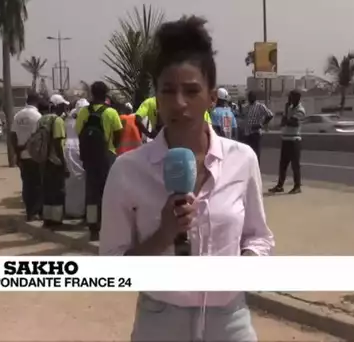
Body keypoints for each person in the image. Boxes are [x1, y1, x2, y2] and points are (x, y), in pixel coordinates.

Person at [100, 16, 274, 342]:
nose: (179, 103)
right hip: (160, 322)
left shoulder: (242, 160)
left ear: (211, 98)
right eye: (168, 91)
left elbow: (259, 238)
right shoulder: (127, 170)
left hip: (230, 320)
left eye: (192, 91)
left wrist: (247, 264)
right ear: (157, 97)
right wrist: (163, 234)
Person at [75, 81, 123, 241]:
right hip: (107, 156)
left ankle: (93, 228)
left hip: (89, 157)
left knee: (91, 192)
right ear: (106, 94)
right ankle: (108, 226)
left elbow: (79, 133)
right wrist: (112, 148)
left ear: (92, 93)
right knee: (108, 192)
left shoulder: (83, 112)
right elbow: (119, 136)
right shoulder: (111, 113)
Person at [11, 92, 43, 221]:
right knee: (37, 184)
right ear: (36, 102)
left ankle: (29, 212)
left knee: (26, 184)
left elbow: (13, 135)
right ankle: (36, 212)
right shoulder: (38, 116)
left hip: (22, 156)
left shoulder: (18, 115)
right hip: (35, 155)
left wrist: (17, 152)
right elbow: (37, 136)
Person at [40, 94, 69, 227]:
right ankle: (57, 221)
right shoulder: (58, 121)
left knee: (47, 190)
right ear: (56, 106)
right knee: (58, 191)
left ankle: (47, 220)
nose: (64, 108)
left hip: (44, 160)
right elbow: (58, 144)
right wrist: (64, 164)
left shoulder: (42, 119)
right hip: (55, 161)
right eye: (62, 105)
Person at [269, 90, 305, 194]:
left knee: (295, 165)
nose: (289, 99)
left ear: (297, 98)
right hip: (285, 139)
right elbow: (283, 121)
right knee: (283, 165)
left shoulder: (300, 110)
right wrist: (286, 110)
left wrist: (287, 120)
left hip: (294, 140)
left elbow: (292, 123)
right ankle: (280, 186)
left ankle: (297, 186)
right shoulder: (288, 108)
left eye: (291, 97)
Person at [135, 96, 213, 140]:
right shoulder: (195, 107)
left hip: (157, 137)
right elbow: (209, 128)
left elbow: (137, 119)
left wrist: (148, 134)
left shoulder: (149, 102)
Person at [64, 98, 88, 218]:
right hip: (78, 147)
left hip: (67, 147)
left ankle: (70, 209)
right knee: (80, 180)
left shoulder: (70, 116)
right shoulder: (85, 115)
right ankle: (79, 211)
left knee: (70, 180)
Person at [243, 91, 273, 162]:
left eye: (251, 97)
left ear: (255, 97)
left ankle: (257, 170)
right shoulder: (247, 107)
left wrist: (262, 124)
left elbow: (270, 115)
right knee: (248, 154)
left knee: (256, 154)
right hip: (247, 134)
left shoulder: (260, 106)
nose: (250, 98)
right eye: (249, 97)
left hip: (256, 133)